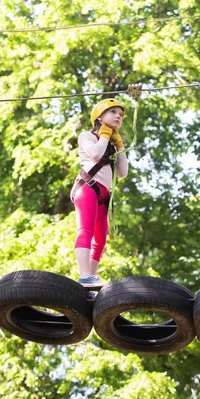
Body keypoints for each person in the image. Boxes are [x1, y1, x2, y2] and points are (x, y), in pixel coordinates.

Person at [71, 99, 128, 287]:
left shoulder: (110, 145)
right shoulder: (86, 136)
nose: (118, 116)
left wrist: (120, 147)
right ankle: (84, 275)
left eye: (120, 113)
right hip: (87, 187)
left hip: (103, 195)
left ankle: (92, 277)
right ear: (100, 117)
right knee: (85, 229)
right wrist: (104, 136)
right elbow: (95, 155)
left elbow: (122, 173)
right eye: (113, 112)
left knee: (101, 238)